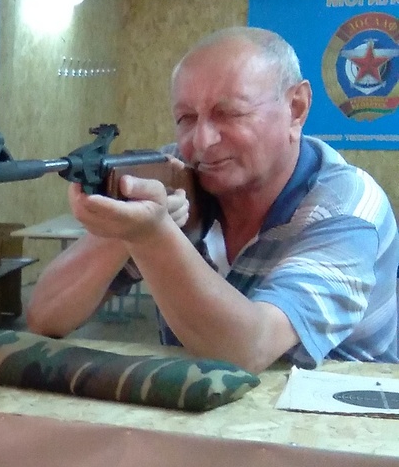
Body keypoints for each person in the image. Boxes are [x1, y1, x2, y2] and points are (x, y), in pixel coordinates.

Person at [26, 27, 397, 371]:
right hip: (203, 410)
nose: (202, 142)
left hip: (341, 414)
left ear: (296, 108)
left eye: (230, 114)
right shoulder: (176, 174)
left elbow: (250, 349)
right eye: (186, 118)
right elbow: (46, 316)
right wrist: (122, 232)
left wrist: (152, 235)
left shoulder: (347, 206)